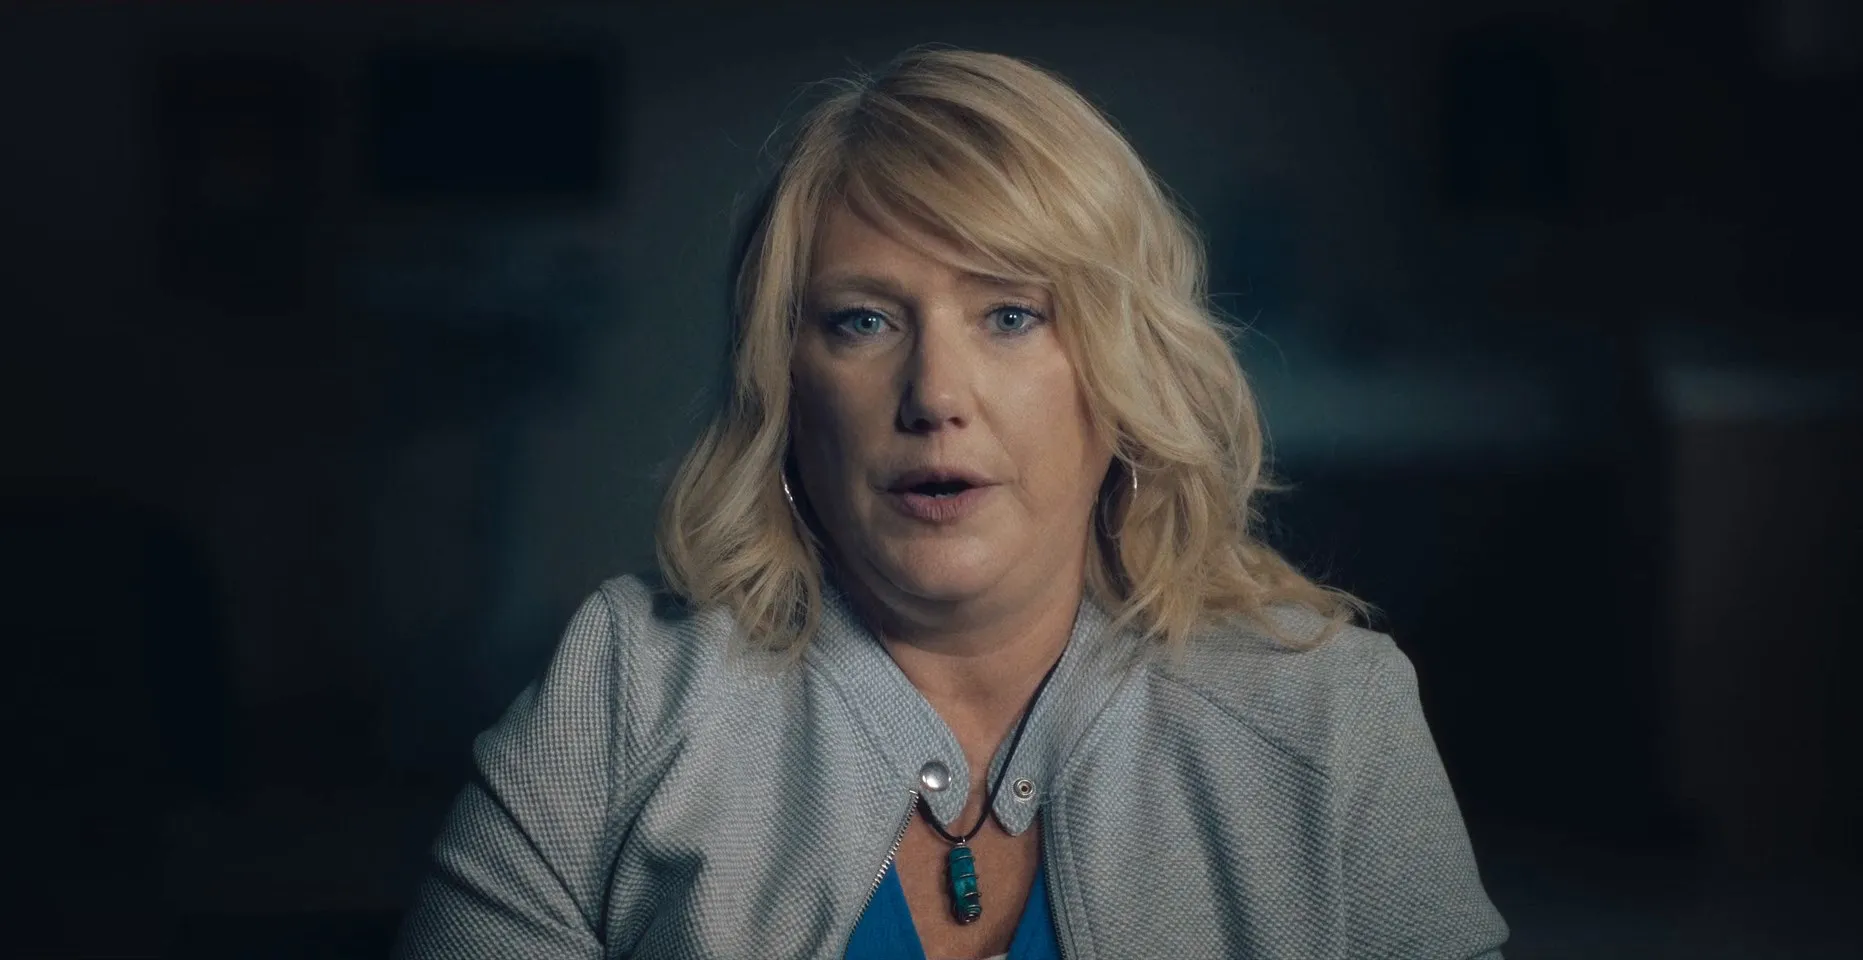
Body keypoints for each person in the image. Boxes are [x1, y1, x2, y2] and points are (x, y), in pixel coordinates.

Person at [394, 47, 1509, 960]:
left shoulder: (1330, 715)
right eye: (864, 321)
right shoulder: (624, 691)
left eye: (1012, 316)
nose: (934, 395)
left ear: (1119, 373)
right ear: (789, 390)